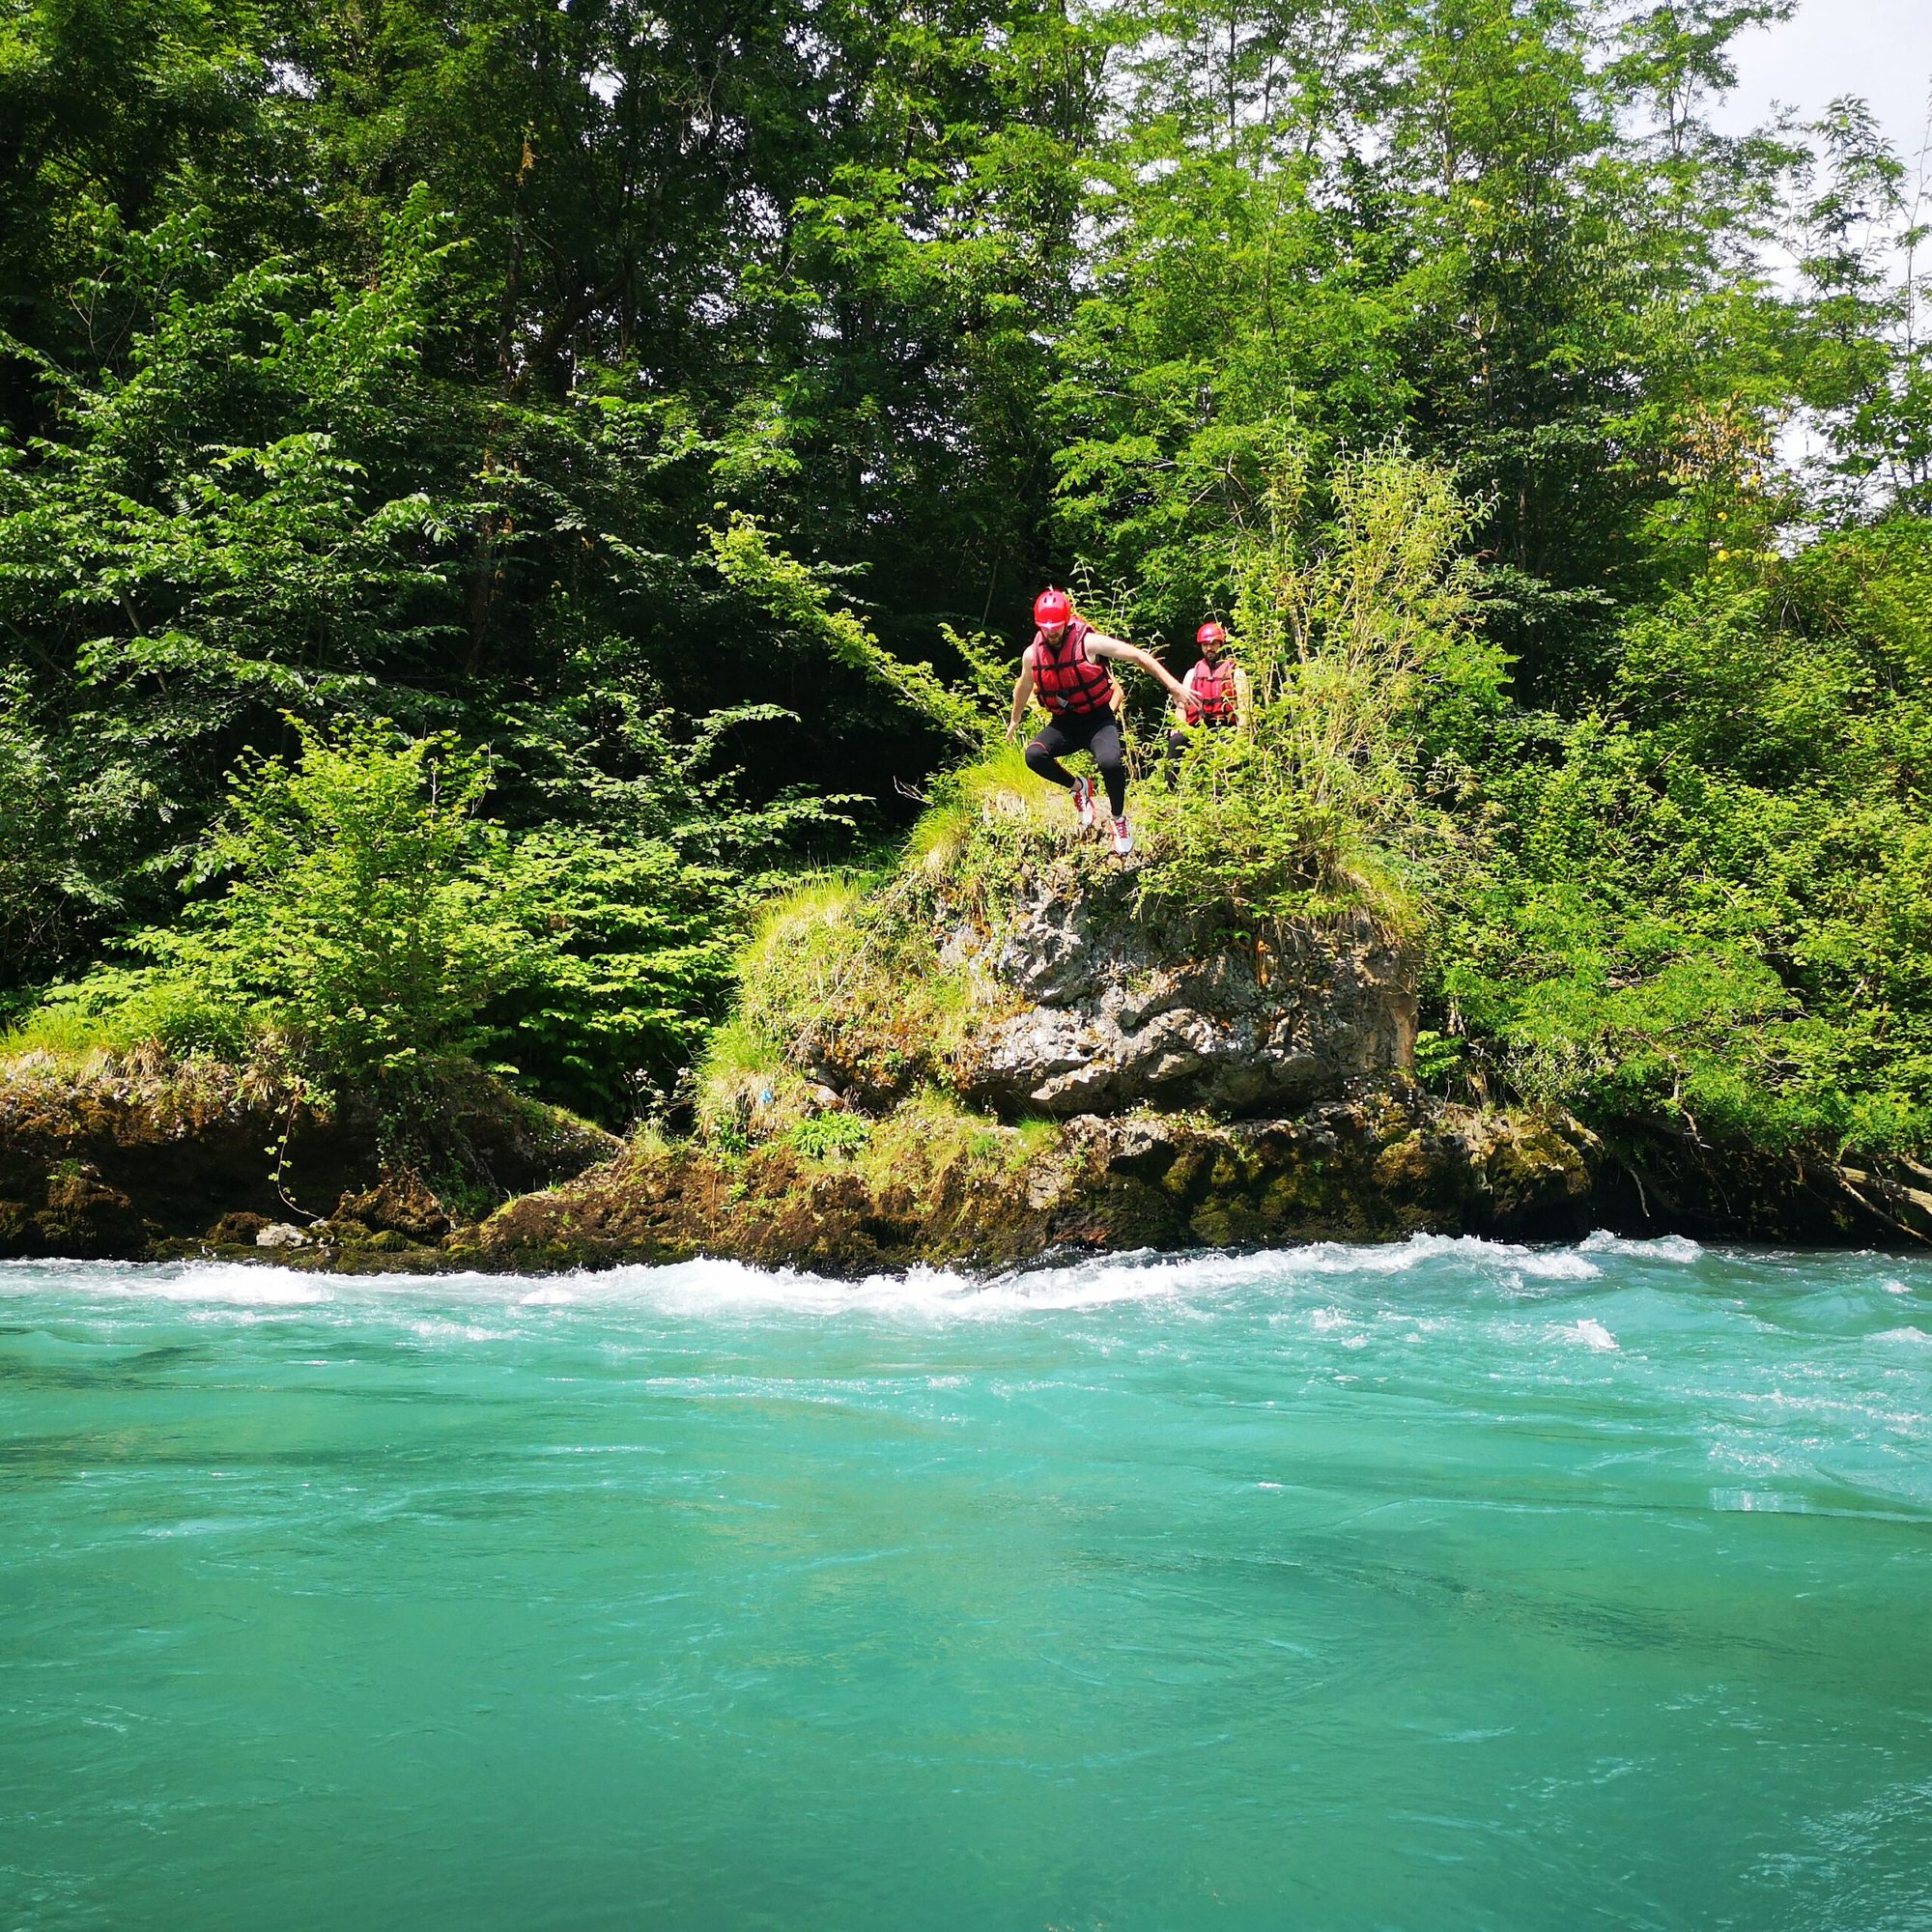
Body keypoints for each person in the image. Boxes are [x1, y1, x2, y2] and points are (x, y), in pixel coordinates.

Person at [1007, 587, 1191, 857]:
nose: (1052, 632)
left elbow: (1138, 656)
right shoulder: (1032, 655)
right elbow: (1022, 688)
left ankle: (1119, 819)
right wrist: (1015, 718)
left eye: (1056, 626)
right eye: (1046, 627)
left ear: (1066, 621)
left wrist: (1173, 685)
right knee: (1034, 755)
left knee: (1111, 764)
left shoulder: (1089, 643)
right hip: (1064, 724)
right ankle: (1079, 788)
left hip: (1097, 720)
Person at [1166, 620, 1251, 757]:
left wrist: (1241, 736)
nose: (1209, 648)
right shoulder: (1192, 674)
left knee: (1224, 749)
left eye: (1213, 644)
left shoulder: (1236, 673)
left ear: (1221, 644)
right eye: (1205, 645)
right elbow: (1181, 707)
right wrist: (1180, 726)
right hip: (1198, 730)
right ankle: (1170, 779)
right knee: (1176, 741)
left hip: (1226, 729)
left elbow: (1245, 709)